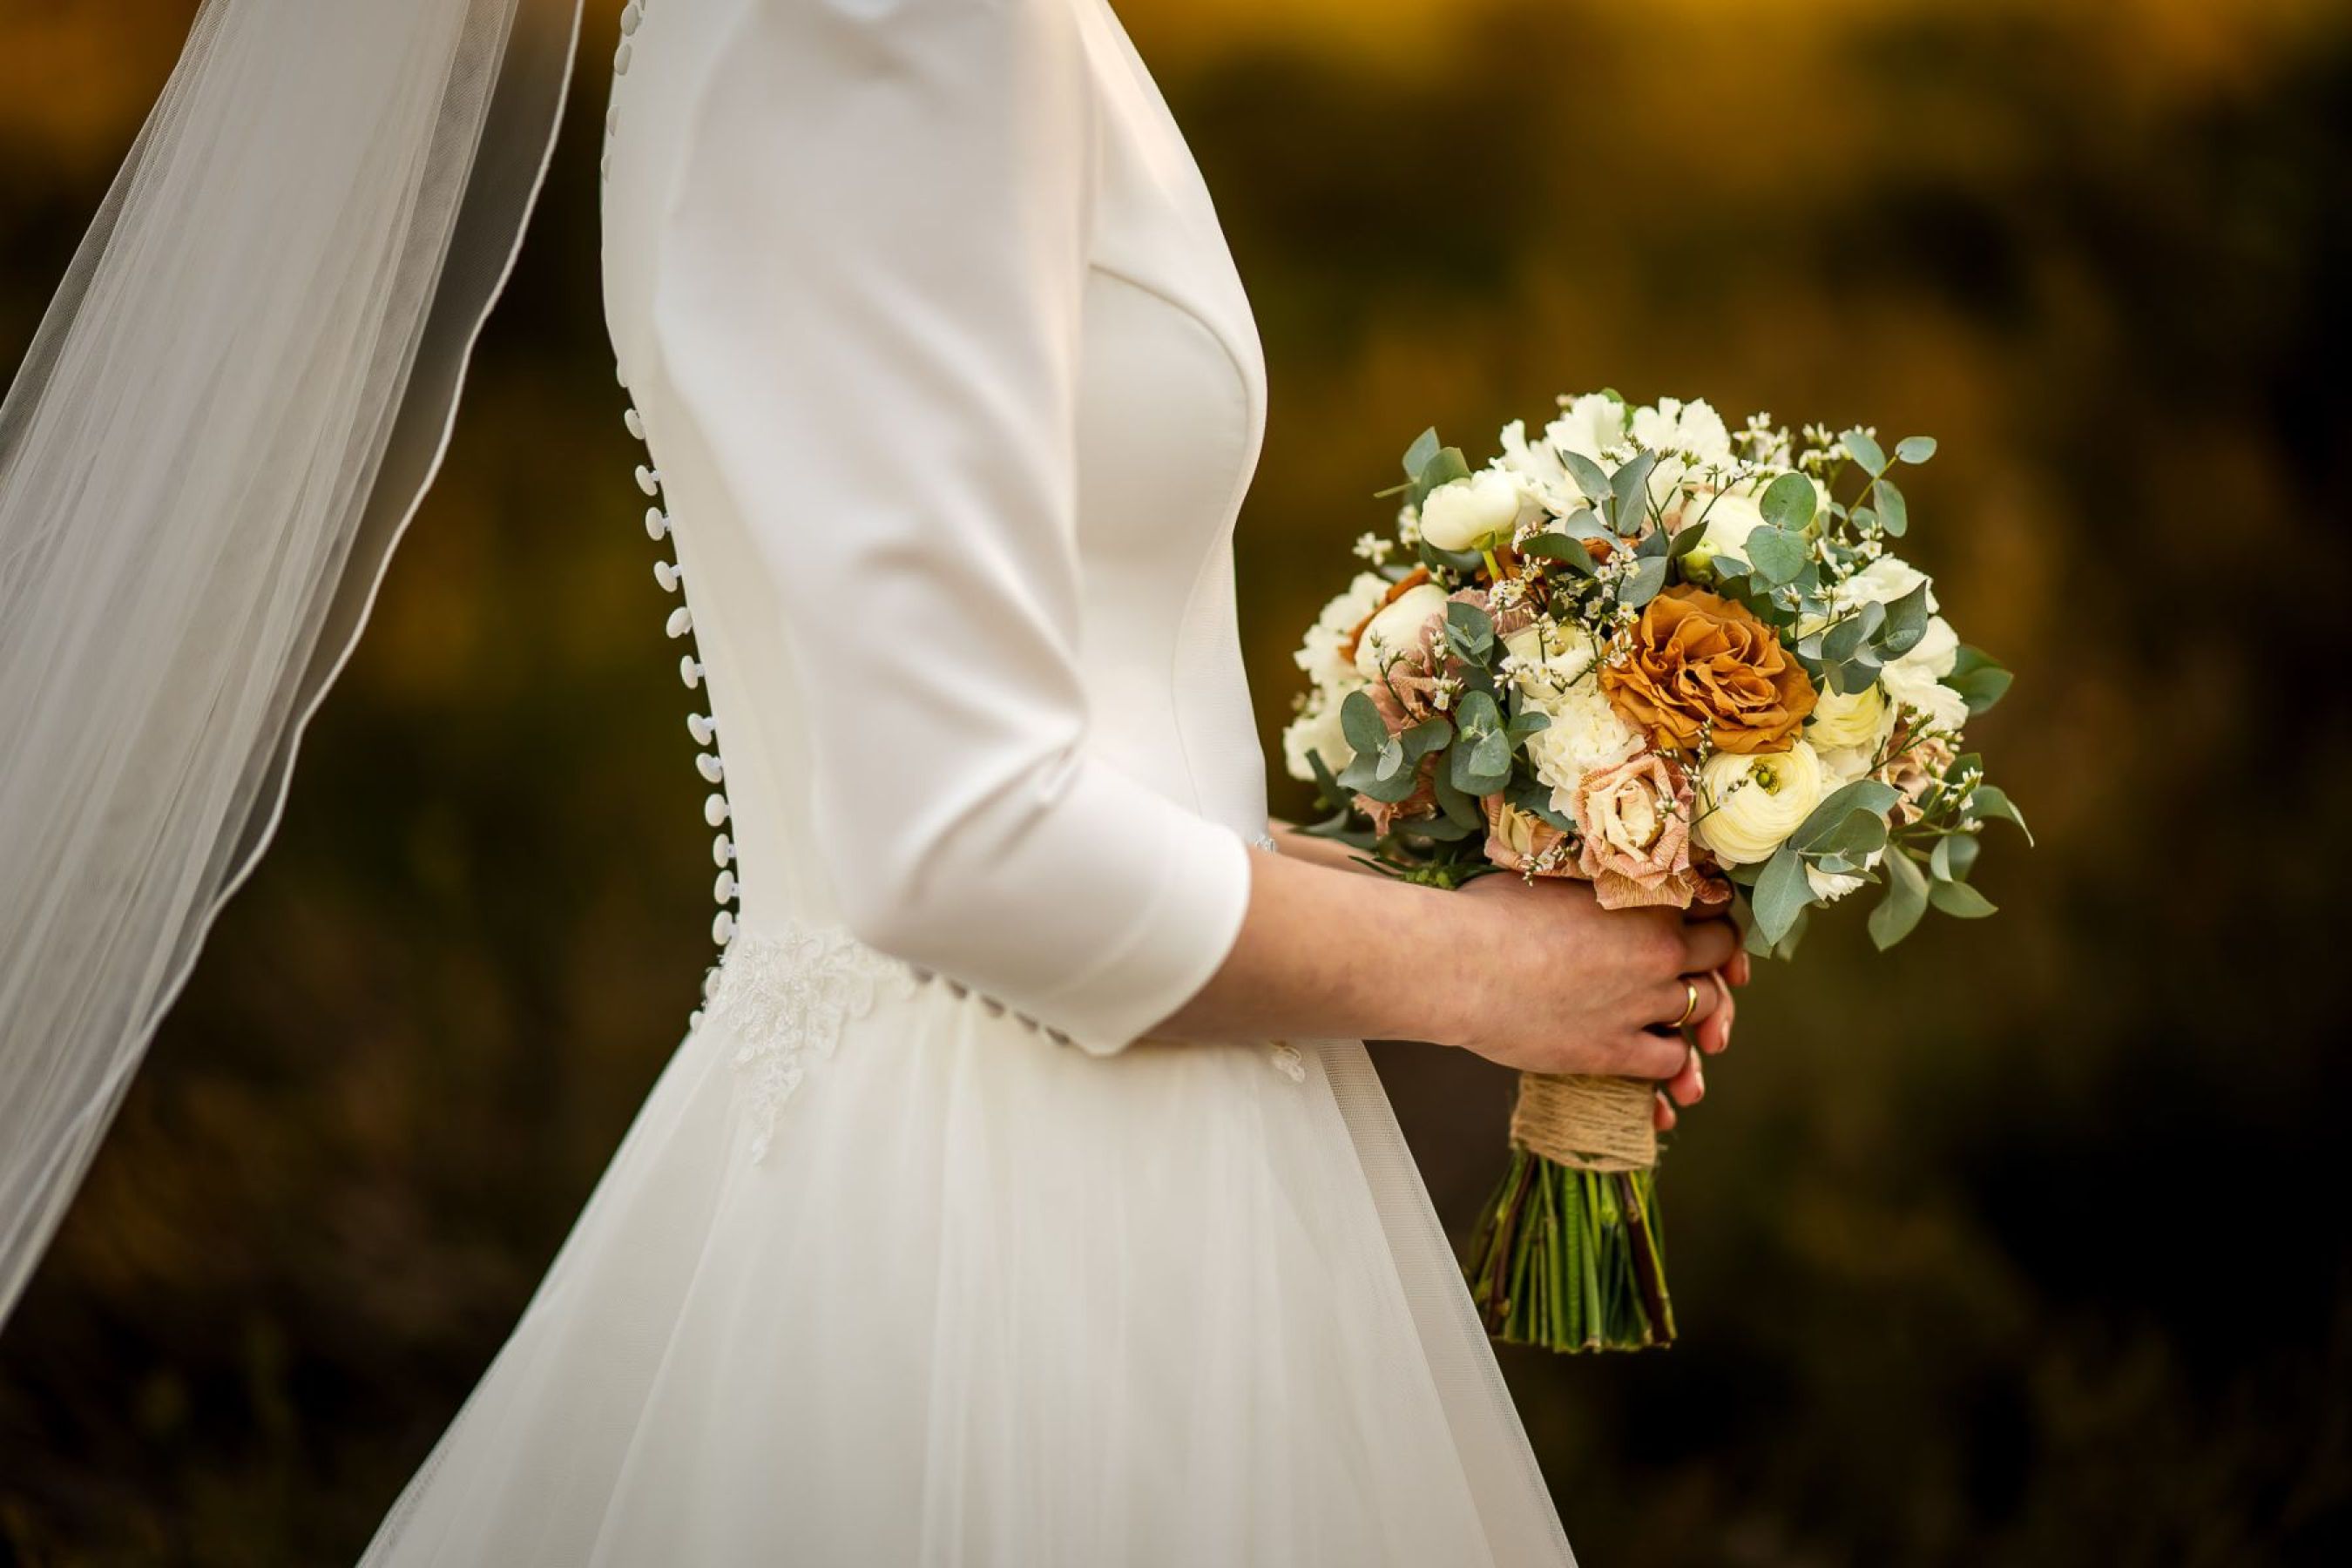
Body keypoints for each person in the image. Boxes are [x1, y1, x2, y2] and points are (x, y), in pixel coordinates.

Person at [2, 2, 1739, 1561]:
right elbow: (960, 848)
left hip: (1071, 1114)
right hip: (1030, 1211)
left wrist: (1401, 886)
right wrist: (1493, 977)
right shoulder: (883, 20)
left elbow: (1013, 739)